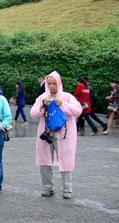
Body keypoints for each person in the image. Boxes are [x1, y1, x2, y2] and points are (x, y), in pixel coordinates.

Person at [30, 71, 83, 199]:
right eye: (49, 84)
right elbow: (33, 113)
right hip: (46, 134)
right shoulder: (43, 97)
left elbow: (78, 111)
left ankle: (67, 189)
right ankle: (48, 187)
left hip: (64, 134)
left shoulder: (67, 97)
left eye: (54, 83)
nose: (52, 86)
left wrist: (63, 104)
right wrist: (42, 106)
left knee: (66, 160)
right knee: (44, 161)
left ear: (59, 83)